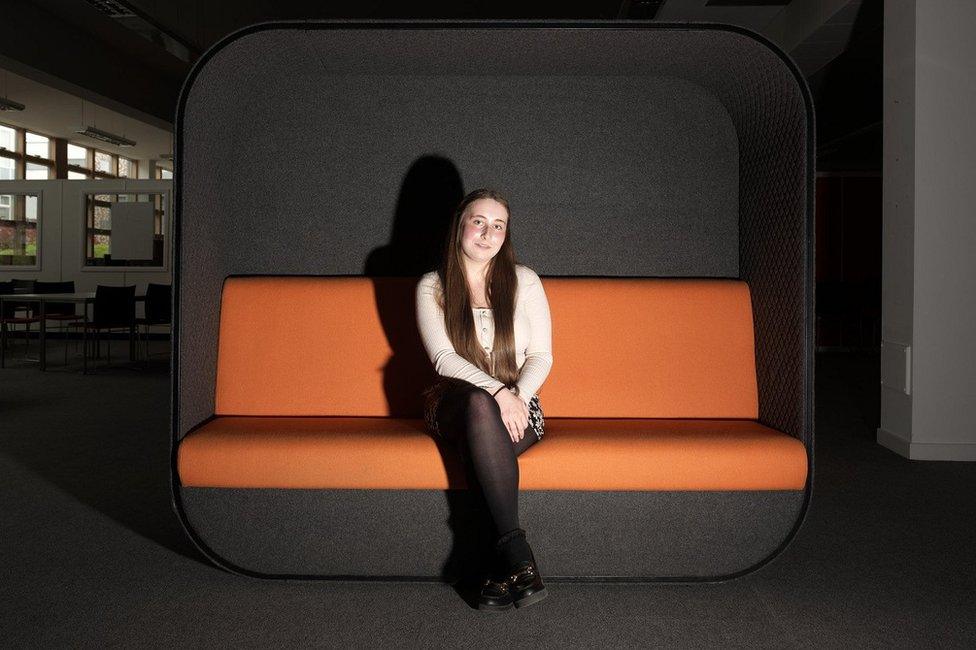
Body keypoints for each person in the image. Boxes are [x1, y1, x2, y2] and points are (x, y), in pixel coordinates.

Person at [415, 188, 553, 612]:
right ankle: (516, 550)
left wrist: (517, 396)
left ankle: (493, 572)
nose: (487, 232)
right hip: (456, 403)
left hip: (519, 398)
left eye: (498, 225)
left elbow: (542, 356)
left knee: (485, 449)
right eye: (479, 221)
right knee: (479, 408)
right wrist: (495, 394)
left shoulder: (524, 280)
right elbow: (442, 358)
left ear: (506, 234)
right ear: (460, 225)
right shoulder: (433, 284)